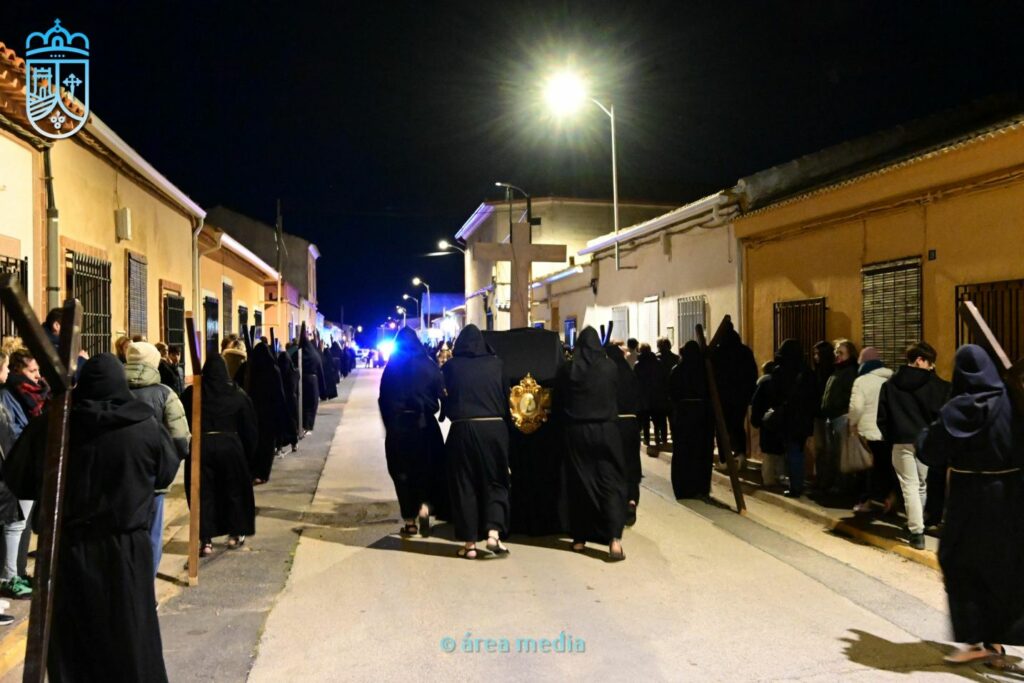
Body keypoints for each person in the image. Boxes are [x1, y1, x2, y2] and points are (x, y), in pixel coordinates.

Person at [7, 353, 179, 680]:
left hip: (69, 551)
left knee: (76, 645)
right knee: (129, 639)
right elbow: (165, 472)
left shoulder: (56, 424)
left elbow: (17, 476)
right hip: (125, 551)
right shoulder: (144, 425)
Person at [917, 345, 1024, 665]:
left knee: (958, 562)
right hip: (1011, 496)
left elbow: (930, 450)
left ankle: (977, 639)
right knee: (1006, 566)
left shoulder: (957, 409)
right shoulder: (1014, 403)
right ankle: (998, 641)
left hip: (969, 497)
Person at [441, 325, 511, 559]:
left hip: (461, 429)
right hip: (493, 429)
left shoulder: (451, 367)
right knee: (496, 481)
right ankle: (493, 532)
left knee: (464, 485)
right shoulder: (497, 364)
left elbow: (445, 400)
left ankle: (469, 544)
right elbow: (506, 396)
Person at [559, 327, 626, 561]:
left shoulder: (569, 369)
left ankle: (579, 538)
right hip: (606, 431)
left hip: (577, 432)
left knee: (579, 484)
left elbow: (560, 398)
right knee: (610, 482)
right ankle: (614, 539)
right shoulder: (609, 367)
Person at [181, 356, 258, 554]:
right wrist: (248, 454)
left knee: (203, 494)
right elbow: (249, 426)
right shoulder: (236, 393)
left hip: (201, 445)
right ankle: (235, 533)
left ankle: (205, 539)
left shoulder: (193, 393)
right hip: (230, 446)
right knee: (233, 491)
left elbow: (183, 418)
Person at [125, 342, 190, 576]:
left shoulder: (114, 391)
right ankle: (146, 589)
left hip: (119, 478)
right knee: (152, 533)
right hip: (153, 478)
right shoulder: (165, 394)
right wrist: (167, 466)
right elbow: (181, 440)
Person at [877, 342, 950, 549]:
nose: (932, 368)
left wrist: (891, 435)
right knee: (921, 485)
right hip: (926, 442)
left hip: (901, 441)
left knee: (909, 485)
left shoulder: (890, 385)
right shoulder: (937, 385)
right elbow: (942, 414)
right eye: (931, 363)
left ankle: (916, 531)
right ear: (920, 360)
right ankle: (916, 525)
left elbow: (882, 417)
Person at [378, 327, 448, 537]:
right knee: (428, 469)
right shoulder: (429, 365)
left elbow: (383, 399)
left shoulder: (392, 368)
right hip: (426, 426)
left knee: (402, 473)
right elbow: (443, 393)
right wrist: (442, 414)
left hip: (399, 427)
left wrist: (390, 424)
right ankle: (425, 506)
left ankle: (409, 521)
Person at [749, 339, 817, 497]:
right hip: (803, 419)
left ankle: (795, 487)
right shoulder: (807, 373)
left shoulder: (779, 373)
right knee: (798, 451)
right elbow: (814, 397)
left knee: (791, 451)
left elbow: (773, 395)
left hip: (787, 418)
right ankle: (797, 483)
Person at [849, 347, 896, 513]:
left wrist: (852, 424)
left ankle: (869, 501)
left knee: (870, 468)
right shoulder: (892, 378)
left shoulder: (861, 381)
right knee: (888, 466)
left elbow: (856, 408)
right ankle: (889, 498)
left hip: (869, 432)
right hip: (890, 431)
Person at [0, 350, 30, 602]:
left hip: (16, 468)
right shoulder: (6, 398)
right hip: (10, 470)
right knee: (13, 526)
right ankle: (10, 577)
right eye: (4, 367)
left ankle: (14, 573)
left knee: (18, 525)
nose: (7, 372)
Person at [669, 341, 714, 499]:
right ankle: (700, 487)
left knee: (683, 451)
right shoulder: (705, 370)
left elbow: (672, 392)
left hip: (684, 415)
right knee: (701, 452)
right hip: (703, 415)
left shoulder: (678, 370)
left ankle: (683, 488)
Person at [711, 322, 758, 469]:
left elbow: (712, 375)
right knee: (737, 426)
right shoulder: (745, 352)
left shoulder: (717, 353)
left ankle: (725, 460)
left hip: (722, 396)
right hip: (741, 396)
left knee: (721, 428)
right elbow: (752, 374)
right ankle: (741, 454)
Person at [606, 342, 642, 524]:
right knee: (631, 463)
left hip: (614, 424)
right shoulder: (630, 373)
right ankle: (632, 498)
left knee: (615, 464)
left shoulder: (608, 375)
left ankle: (617, 502)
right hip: (631, 423)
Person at [246, 343, 290, 483]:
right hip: (269, 413)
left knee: (255, 443)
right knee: (267, 444)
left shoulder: (251, 370)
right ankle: (263, 473)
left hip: (254, 413)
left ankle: (254, 471)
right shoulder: (273, 370)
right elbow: (279, 393)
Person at [819, 339, 858, 493]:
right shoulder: (837, 370)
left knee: (842, 454)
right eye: (836, 352)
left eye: (841, 353)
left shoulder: (850, 371)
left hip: (841, 416)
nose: (837, 356)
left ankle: (843, 485)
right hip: (832, 416)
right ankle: (835, 482)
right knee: (833, 453)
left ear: (850, 354)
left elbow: (850, 395)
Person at [634, 343, 669, 448]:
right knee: (658, 417)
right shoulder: (658, 362)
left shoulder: (638, 364)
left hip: (644, 395)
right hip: (657, 394)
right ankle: (660, 438)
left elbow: (635, 381)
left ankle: (647, 438)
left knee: (645, 419)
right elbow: (663, 378)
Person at [6, 350, 49, 418]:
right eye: (32, 371)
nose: (38, 376)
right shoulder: (7, 396)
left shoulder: (45, 391)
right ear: (17, 371)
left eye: (38, 370)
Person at [277, 350, 300, 452]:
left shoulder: (278, 372)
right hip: (292, 401)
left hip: (281, 400)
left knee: (280, 423)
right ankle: (294, 443)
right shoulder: (295, 372)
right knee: (292, 423)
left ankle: (279, 446)